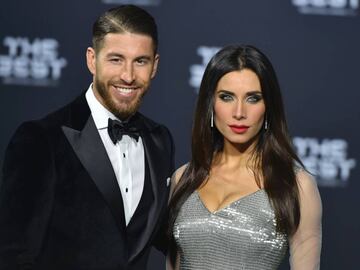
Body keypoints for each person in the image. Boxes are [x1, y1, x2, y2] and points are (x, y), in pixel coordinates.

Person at [0, 5, 174, 270]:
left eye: (140, 61)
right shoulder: (41, 140)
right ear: (92, 60)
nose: (128, 76)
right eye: (116, 59)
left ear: (155, 66)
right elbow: (14, 254)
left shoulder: (160, 141)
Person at [168, 45, 322, 270]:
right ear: (211, 103)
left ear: (268, 107)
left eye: (253, 98)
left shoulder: (297, 185)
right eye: (227, 97)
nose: (239, 112)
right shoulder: (183, 178)